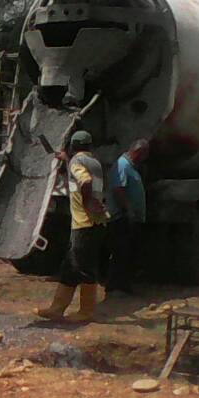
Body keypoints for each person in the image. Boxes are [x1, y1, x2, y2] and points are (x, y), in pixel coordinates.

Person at [35, 129, 107, 322]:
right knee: (70, 266)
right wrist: (66, 159)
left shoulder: (77, 162)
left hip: (85, 223)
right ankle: (57, 309)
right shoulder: (93, 162)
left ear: (73, 146)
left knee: (84, 268)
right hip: (96, 222)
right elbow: (82, 173)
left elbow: (85, 181)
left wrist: (87, 202)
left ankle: (86, 311)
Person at [104, 139, 150, 293]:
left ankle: (122, 284)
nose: (145, 158)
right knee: (121, 252)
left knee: (126, 252)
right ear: (138, 152)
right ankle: (116, 286)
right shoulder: (122, 165)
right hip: (120, 218)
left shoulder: (130, 166)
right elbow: (119, 190)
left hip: (127, 218)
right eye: (145, 154)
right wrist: (129, 210)